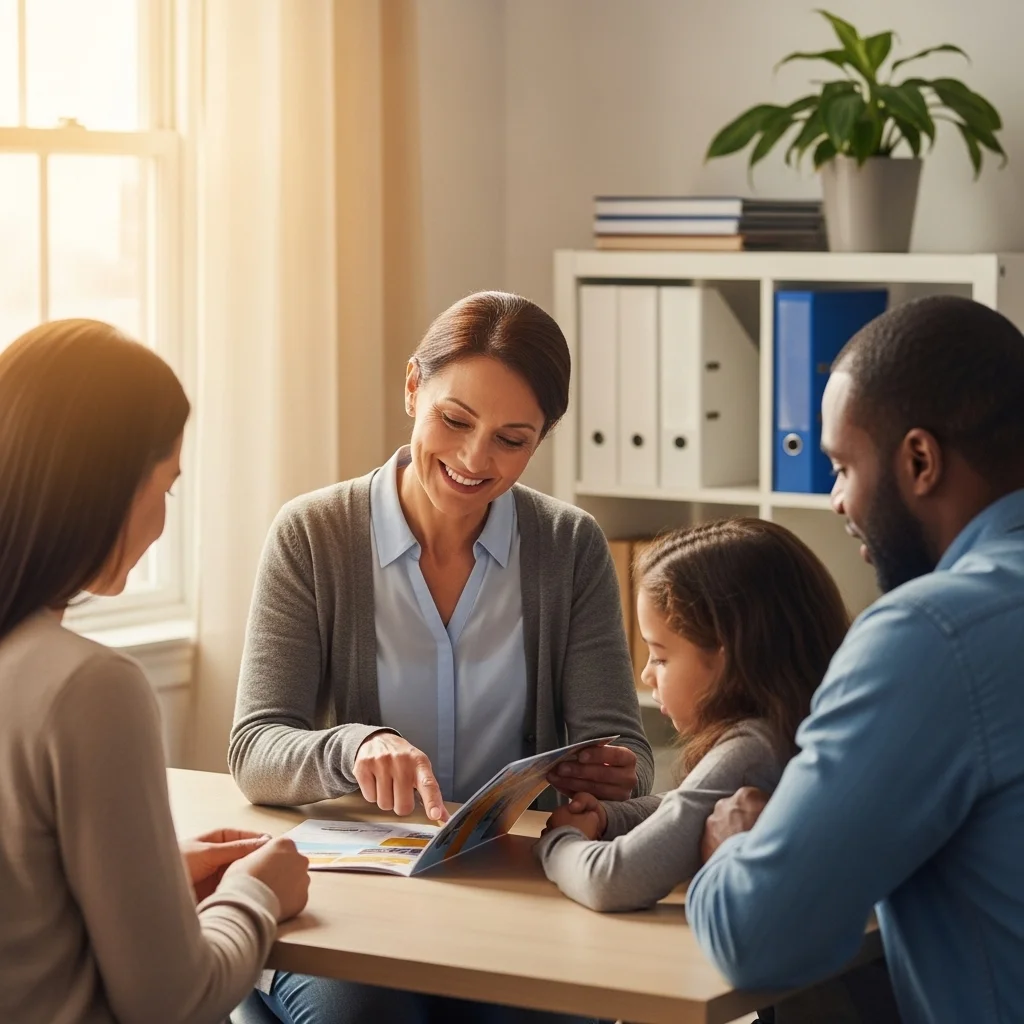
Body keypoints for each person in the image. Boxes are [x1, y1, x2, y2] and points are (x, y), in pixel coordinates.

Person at [229, 291, 653, 1023]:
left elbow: (633, 754)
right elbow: (254, 747)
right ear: (411, 387)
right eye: (455, 421)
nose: (472, 459)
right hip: (352, 900)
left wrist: (612, 771)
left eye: (511, 440)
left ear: (540, 439)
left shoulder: (569, 546)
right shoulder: (312, 535)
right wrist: (353, 747)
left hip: (517, 895)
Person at [690, 295, 1024, 1024]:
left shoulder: (932, 635)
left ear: (919, 460)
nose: (837, 501)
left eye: (842, 466)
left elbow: (756, 934)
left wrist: (740, 846)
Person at [0, 320, 310, 1024]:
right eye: (166, 487)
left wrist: (153, 871)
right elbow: (173, 1001)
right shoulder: (87, 688)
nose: (162, 520)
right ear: (107, 485)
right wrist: (259, 892)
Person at [534, 518, 848, 913]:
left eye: (661, 657)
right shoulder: (791, 728)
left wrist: (561, 839)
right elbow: (688, 802)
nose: (647, 675)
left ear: (727, 657)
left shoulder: (752, 750)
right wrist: (609, 817)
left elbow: (612, 880)